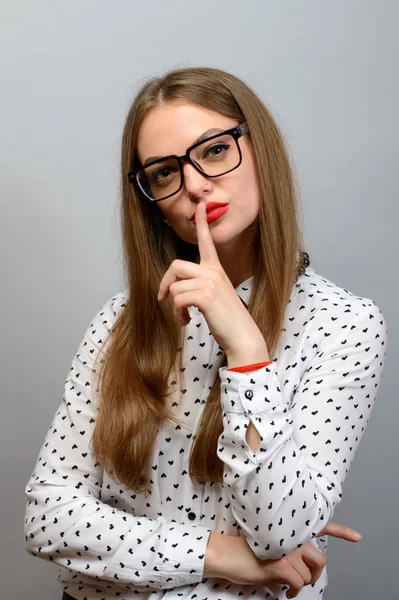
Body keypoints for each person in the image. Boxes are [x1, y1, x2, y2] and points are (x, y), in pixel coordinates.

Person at [24, 66, 387, 600]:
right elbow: (49, 516)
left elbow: (280, 531)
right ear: (152, 202)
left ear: (260, 149)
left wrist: (246, 353)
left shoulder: (345, 324)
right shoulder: (122, 322)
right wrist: (224, 554)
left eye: (214, 150)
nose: (194, 184)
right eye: (165, 173)